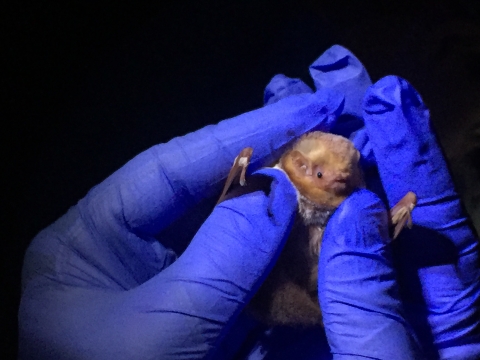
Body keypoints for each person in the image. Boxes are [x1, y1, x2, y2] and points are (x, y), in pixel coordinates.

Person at [18, 45, 479, 359]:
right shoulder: (280, 182)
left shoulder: (354, 198)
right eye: (320, 173)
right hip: (271, 289)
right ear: (296, 165)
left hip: (304, 291)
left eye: (347, 173)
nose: (338, 177)